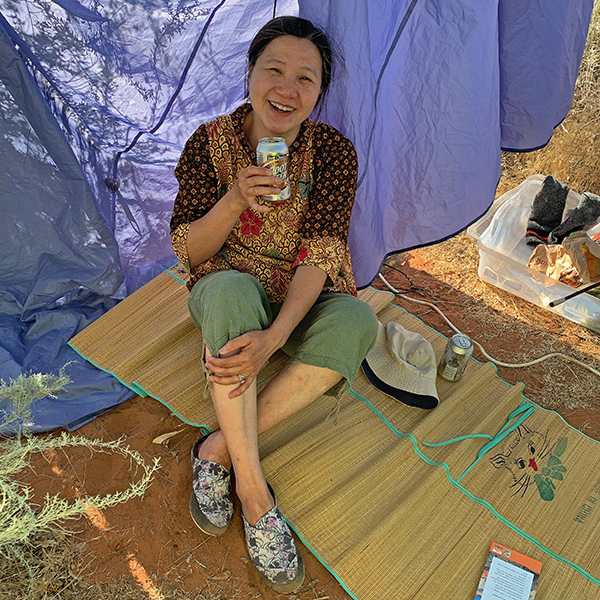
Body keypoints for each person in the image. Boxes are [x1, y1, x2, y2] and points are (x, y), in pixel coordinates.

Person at [170, 16, 378, 593]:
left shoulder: (334, 153)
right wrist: (236, 197)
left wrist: (280, 335)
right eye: (275, 70)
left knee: (358, 322)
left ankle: (219, 447)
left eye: (306, 79)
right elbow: (189, 248)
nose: (287, 89)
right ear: (250, 73)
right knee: (231, 290)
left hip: (300, 290)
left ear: (318, 94)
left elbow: (321, 250)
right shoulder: (208, 144)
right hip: (229, 280)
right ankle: (254, 492)